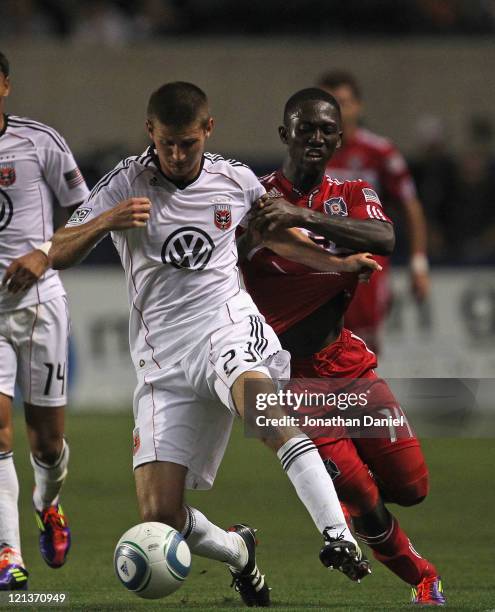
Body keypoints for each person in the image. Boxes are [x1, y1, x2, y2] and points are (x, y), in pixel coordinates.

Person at [44, 82, 374, 606]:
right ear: (150, 132)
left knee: (265, 415)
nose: (176, 155)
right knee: (159, 516)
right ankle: (239, 552)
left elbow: (277, 235)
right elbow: (55, 250)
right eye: (166, 143)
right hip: (161, 363)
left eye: (188, 144)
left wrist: (337, 264)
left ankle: (338, 535)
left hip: (226, 327)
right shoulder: (125, 182)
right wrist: (108, 220)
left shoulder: (235, 179)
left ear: (208, 131)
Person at [241, 87, 445, 605]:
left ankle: (357, 495)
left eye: (325, 130)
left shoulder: (351, 191)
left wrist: (303, 217)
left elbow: (384, 239)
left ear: (338, 138)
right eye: (304, 128)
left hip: (348, 365)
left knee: (412, 488)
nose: (315, 137)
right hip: (289, 380)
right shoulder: (254, 197)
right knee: (359, 492)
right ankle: (422, 576)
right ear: (284, 133)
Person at [0, 51, 88, 589]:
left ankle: (47, 503)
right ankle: (8, 554)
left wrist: (44, 254)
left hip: (38, 307)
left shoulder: (40, 142)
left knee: (46, 445)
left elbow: (84, 215)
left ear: (5, 85)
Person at [316, 70, 430, 354]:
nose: (336, 110)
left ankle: (359, 398)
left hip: (367, 261)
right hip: (318, 258)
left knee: (362, 347)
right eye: (328, 103)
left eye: (342, 101)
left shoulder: (379, 152)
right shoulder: (310, 151)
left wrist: (418, 263)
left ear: (358, 105)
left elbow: (410, 205)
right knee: (317, 346)